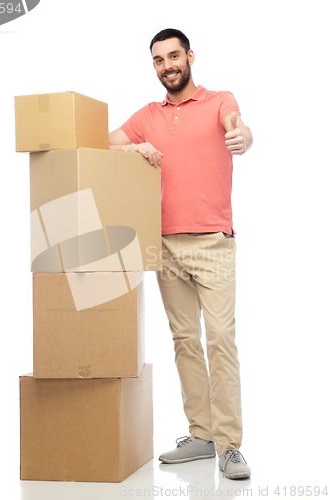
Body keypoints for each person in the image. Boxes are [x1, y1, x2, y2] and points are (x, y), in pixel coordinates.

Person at [109, 28, 253, 480]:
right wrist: (136, 146)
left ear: (190, 56)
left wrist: (243, 136)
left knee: (220, 342)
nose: (167, 65)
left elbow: (240, 127)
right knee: (186, 342)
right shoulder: (147, 115)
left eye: (174, 56)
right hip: (164, 244)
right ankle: (202, 436)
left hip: (212, 242)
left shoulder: (218, 101)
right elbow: (100, 141)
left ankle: (230, 445)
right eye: (158, 60)